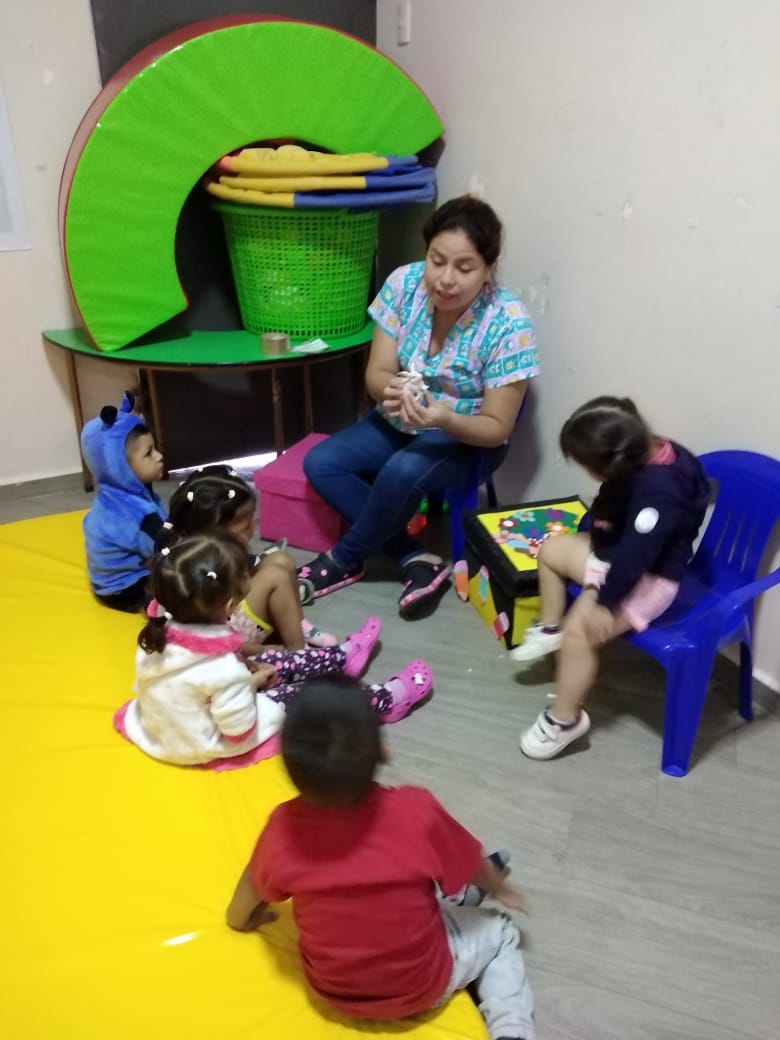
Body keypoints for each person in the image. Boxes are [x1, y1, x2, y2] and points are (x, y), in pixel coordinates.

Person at [226, 679, 536, 1040]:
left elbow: (252, 884)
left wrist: (239, 919)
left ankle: (457, 899)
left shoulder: (281, 831)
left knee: (411, 883)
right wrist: (501, 889)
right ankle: (512, 1030)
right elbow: (472, 865)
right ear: (384, 752)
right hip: (423, 985)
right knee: (500, 931)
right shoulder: (415, 812)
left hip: (333, 991)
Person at [299, 195, 539, 618]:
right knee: (321, 463)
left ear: (489, 269)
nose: (445, 279)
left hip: (466, 438)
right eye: (437, 260)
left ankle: (343, 558)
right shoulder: (404, 284)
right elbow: (376, 373)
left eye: (464, 268)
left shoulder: (509, 323)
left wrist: (444, 417)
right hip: (399, 420)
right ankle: (415, 557)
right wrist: (391, 390)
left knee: (402, 470)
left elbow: (497, 428)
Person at [114, 534, 433, 767]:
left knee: (267, 660)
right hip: (198, 741)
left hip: (169, 727)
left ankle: (341, 657)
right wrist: (249, 684)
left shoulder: (159, 635)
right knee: (309, 695)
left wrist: (246, 675)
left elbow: (199, 678)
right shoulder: (222, 669)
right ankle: (383, 700)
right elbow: (238, 730)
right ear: (229, 605)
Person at [513, 396, 710, 760]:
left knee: (581, 632)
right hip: (616, 555)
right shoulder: (645, 450)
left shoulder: (659, 494)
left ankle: (564, 721)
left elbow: (636, 558)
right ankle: (551, 629)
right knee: (551, 551)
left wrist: (604, 603)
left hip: (648, 578)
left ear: (608, 466)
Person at [162, 465, 332, 651]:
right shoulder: (193, 569)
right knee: (276, 576)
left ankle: (300, 627)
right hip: (226, 635)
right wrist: (266, 650)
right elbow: (205, 637)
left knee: (281, 559)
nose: (253, 529)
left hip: (233, 612)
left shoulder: (213, 550)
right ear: (214, 534)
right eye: (245, 527)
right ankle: (298, 652)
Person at [81, 390, 166, 612]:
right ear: (119, 467)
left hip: (104, 584)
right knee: (183, 582)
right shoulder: (140, 516)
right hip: (126, 588)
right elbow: (169, 551)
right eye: (149, 453)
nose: (159, 456)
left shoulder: (111, 496)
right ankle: (152, 607)